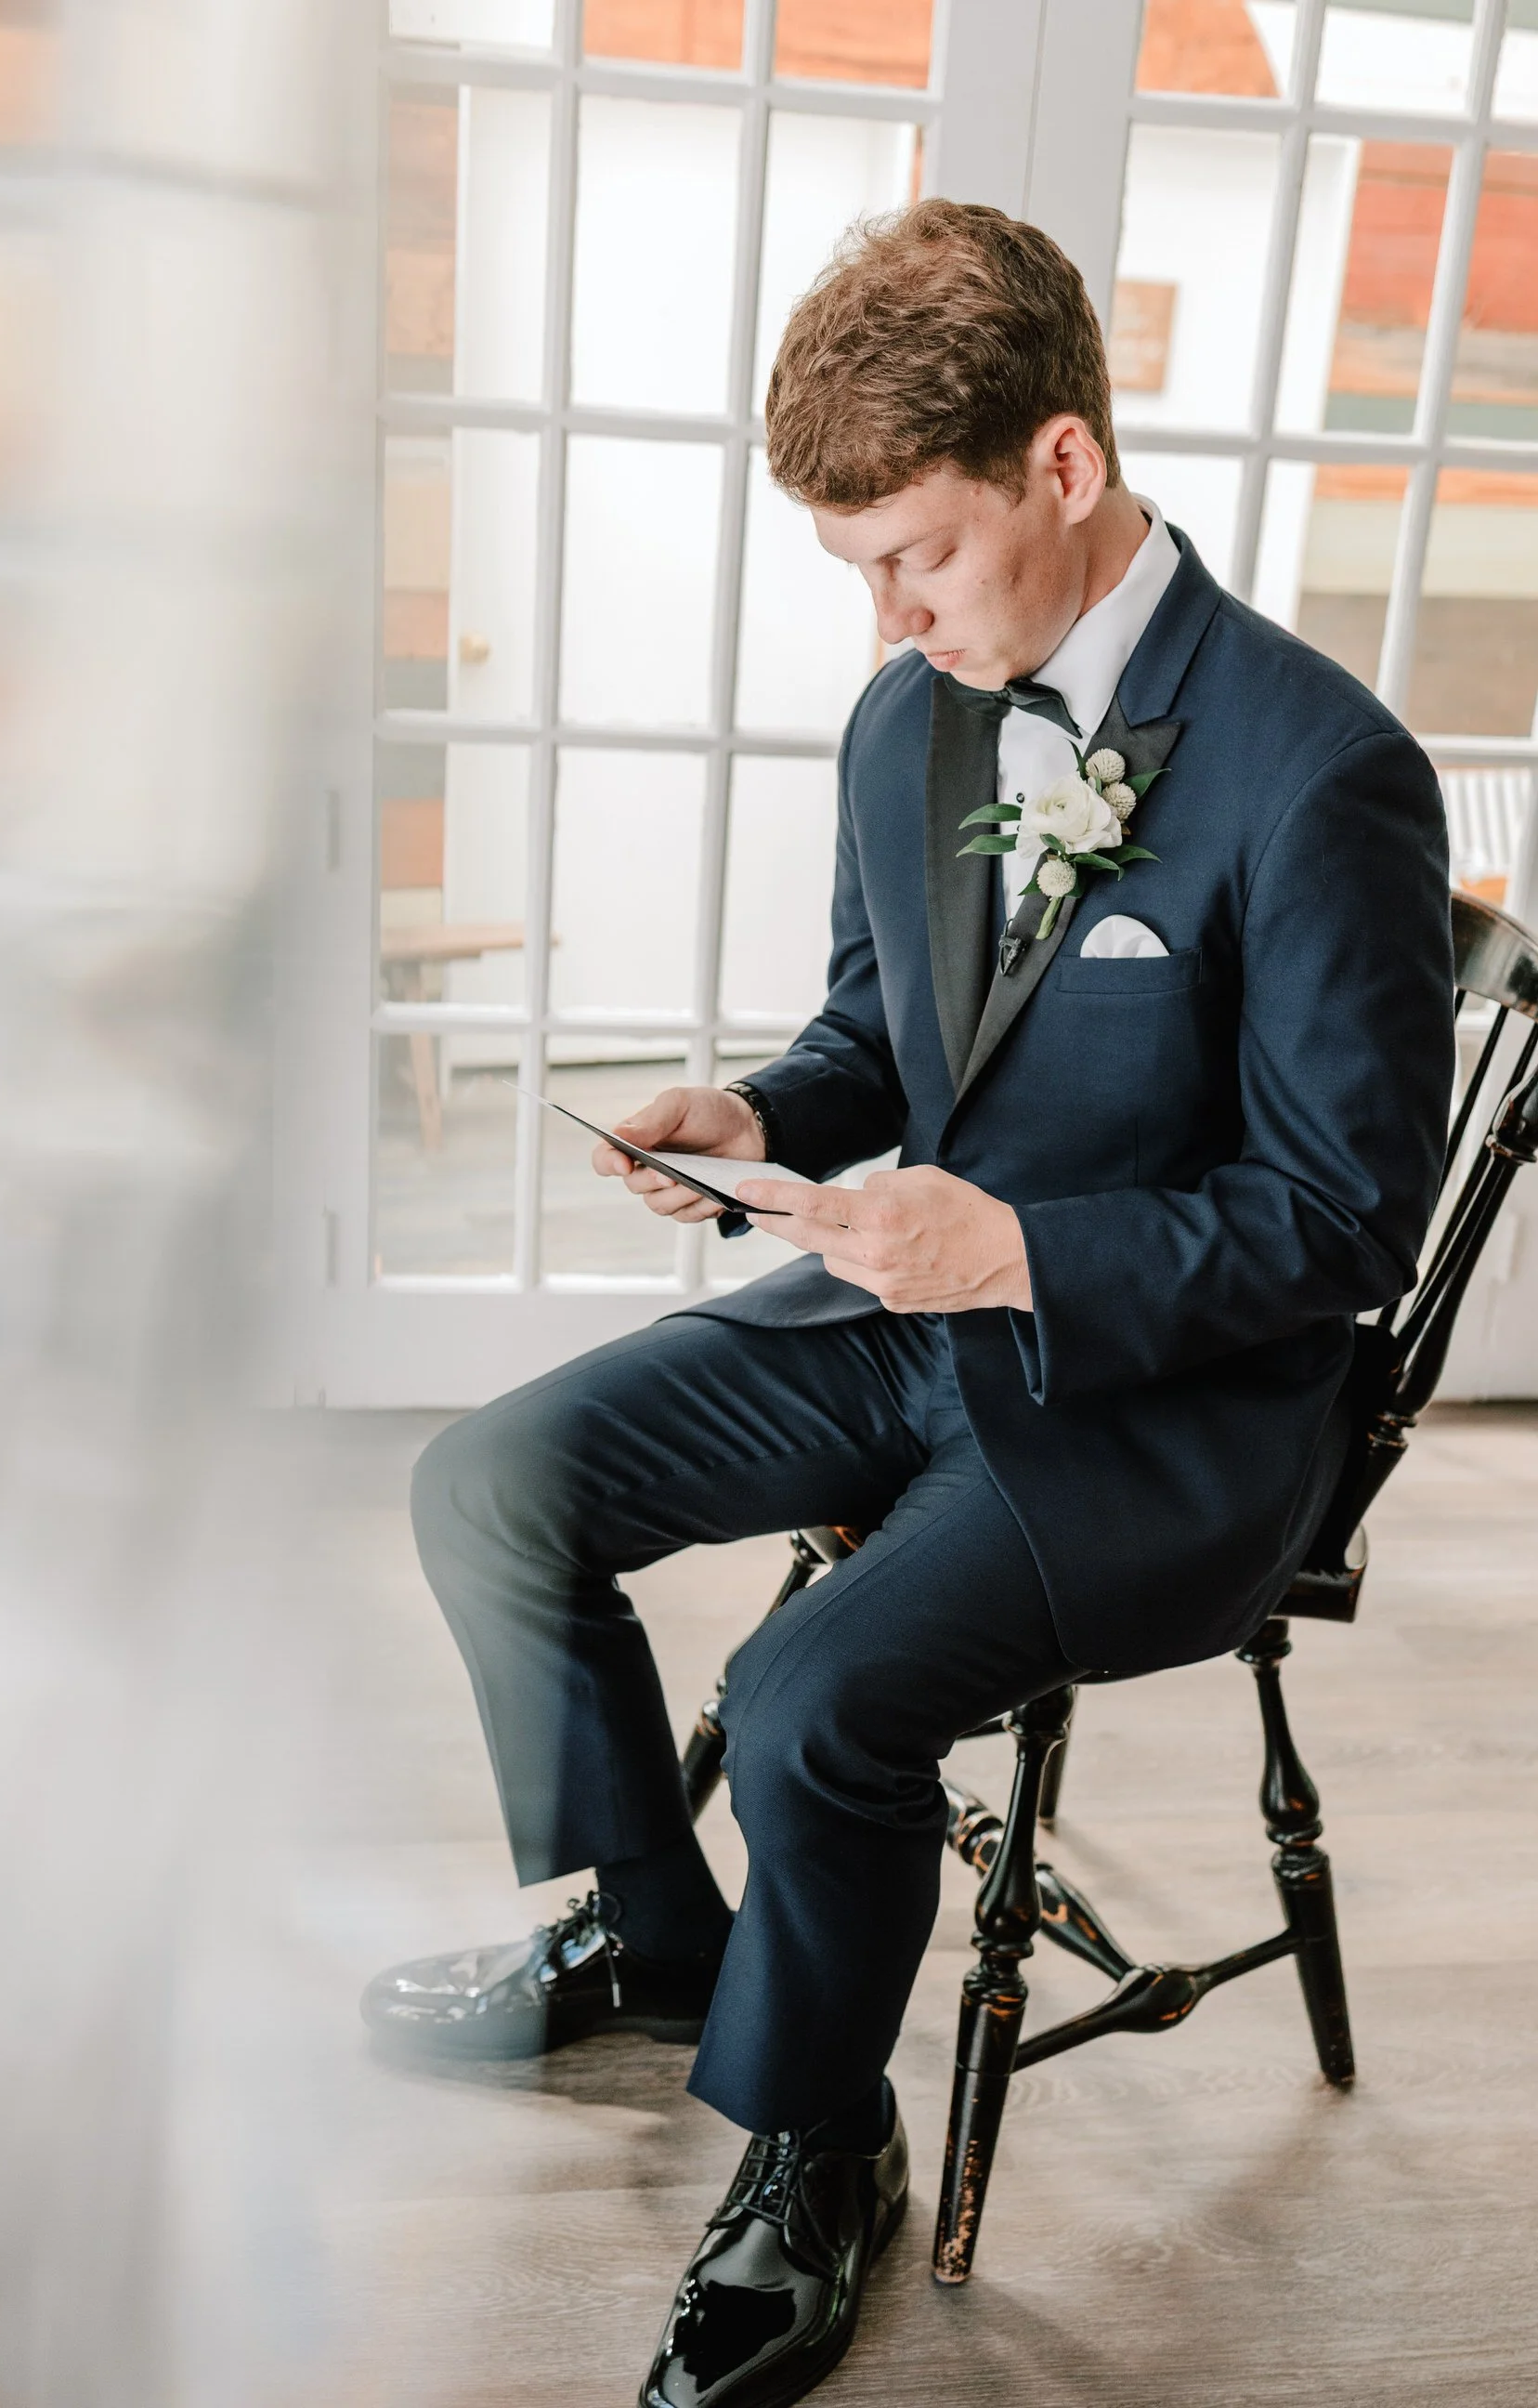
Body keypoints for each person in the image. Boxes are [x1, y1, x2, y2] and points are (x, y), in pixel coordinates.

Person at [362, 201, 1455, 2408]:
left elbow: (1345, 1226)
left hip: (1176, 1411)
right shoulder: (915, 722)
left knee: (808, 1697)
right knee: (493, 1481)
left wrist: (1029, 1252)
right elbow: (884, 1045)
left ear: (1064, 467)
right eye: (858, 566)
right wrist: (754, 1113)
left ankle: (813, 2139)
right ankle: (661, 1939)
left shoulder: (1325, 770)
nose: (886, 614)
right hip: (906, 1309)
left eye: (915, 557)